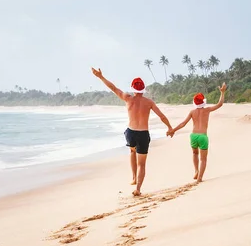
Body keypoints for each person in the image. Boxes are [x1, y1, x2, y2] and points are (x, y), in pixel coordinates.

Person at [91, 67, 173, 196]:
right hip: (143, 134)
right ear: (143, 89)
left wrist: (100, 77)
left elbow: (113, 88)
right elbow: (161, 116)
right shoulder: (149, 102)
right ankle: (138, 189)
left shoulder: (128, 98)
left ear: (133, 88)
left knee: (132, 150)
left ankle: (134, 177)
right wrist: (170, 128)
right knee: (142, 164)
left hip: (131, 132)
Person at [167, 83, 227, 183]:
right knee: (203, 159)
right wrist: (222, 92)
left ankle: (196, 171)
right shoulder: (207, 110)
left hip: (193, 136)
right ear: (203, 102)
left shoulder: (192, 112)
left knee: (195, 154)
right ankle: (199, 178)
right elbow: (220, 104)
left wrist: (173, 130)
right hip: (203, 136)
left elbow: (183, 123)